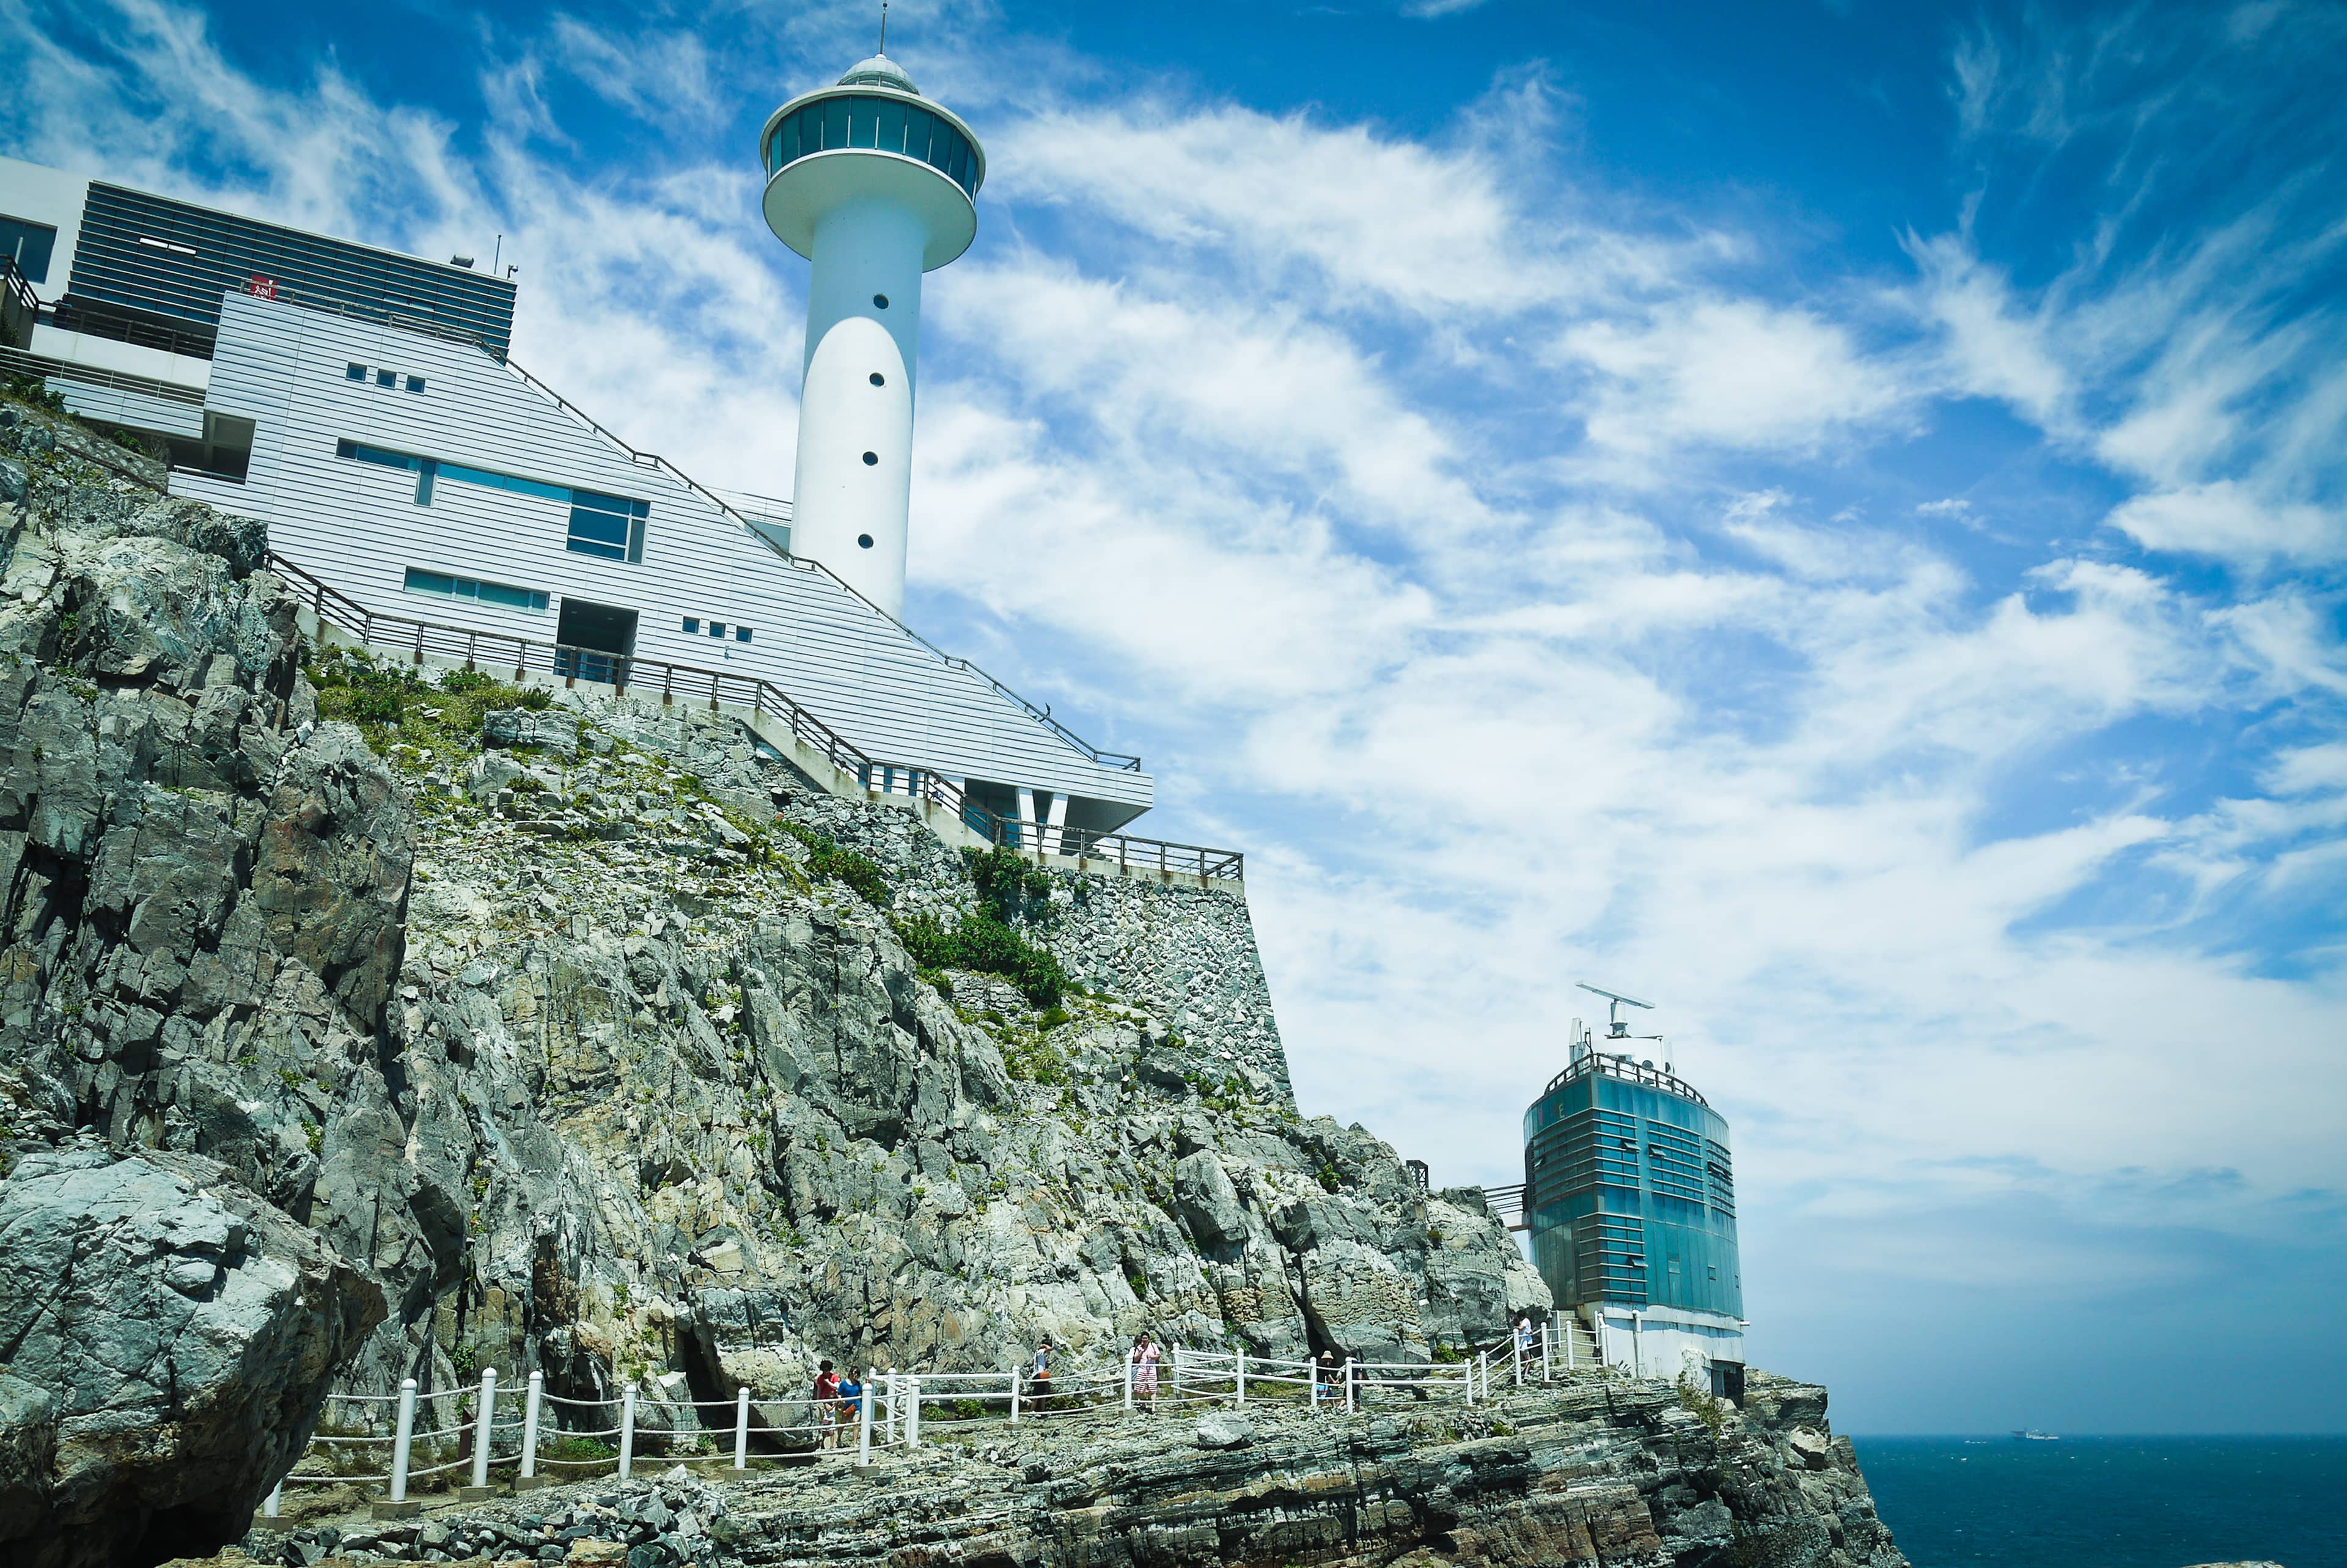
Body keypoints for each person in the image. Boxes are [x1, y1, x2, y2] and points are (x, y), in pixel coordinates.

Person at [812, 1360, 840, 1449]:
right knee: (823, 1422)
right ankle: (822, 1443)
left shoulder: (834, 1377)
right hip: (824, 1400)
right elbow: (819, 1388)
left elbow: (836, 1387)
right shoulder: (820, 1378)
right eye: (824, 1370)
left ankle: (832, 1444)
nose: (826, 1372)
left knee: (832, 1421)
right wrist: (818, 1399)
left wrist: (828, 1382)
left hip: (832, 1400)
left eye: (827, 1370)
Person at [1133, 1334, 1160, 1410]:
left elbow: (1158, 1355)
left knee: (1153, 1388)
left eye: (1146, 1338)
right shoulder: (1139, 1348)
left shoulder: (1153, 1345)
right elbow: (1135, 1359)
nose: (1145, 1340)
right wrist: (1141, 1352)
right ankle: (1143, 1403)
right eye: (1143, 1338)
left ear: (1148, 1339)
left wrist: (1152, 1357)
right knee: (1138, 1389)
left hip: (1151, 1369)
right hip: (1142, 1369)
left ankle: (1153, 1407)